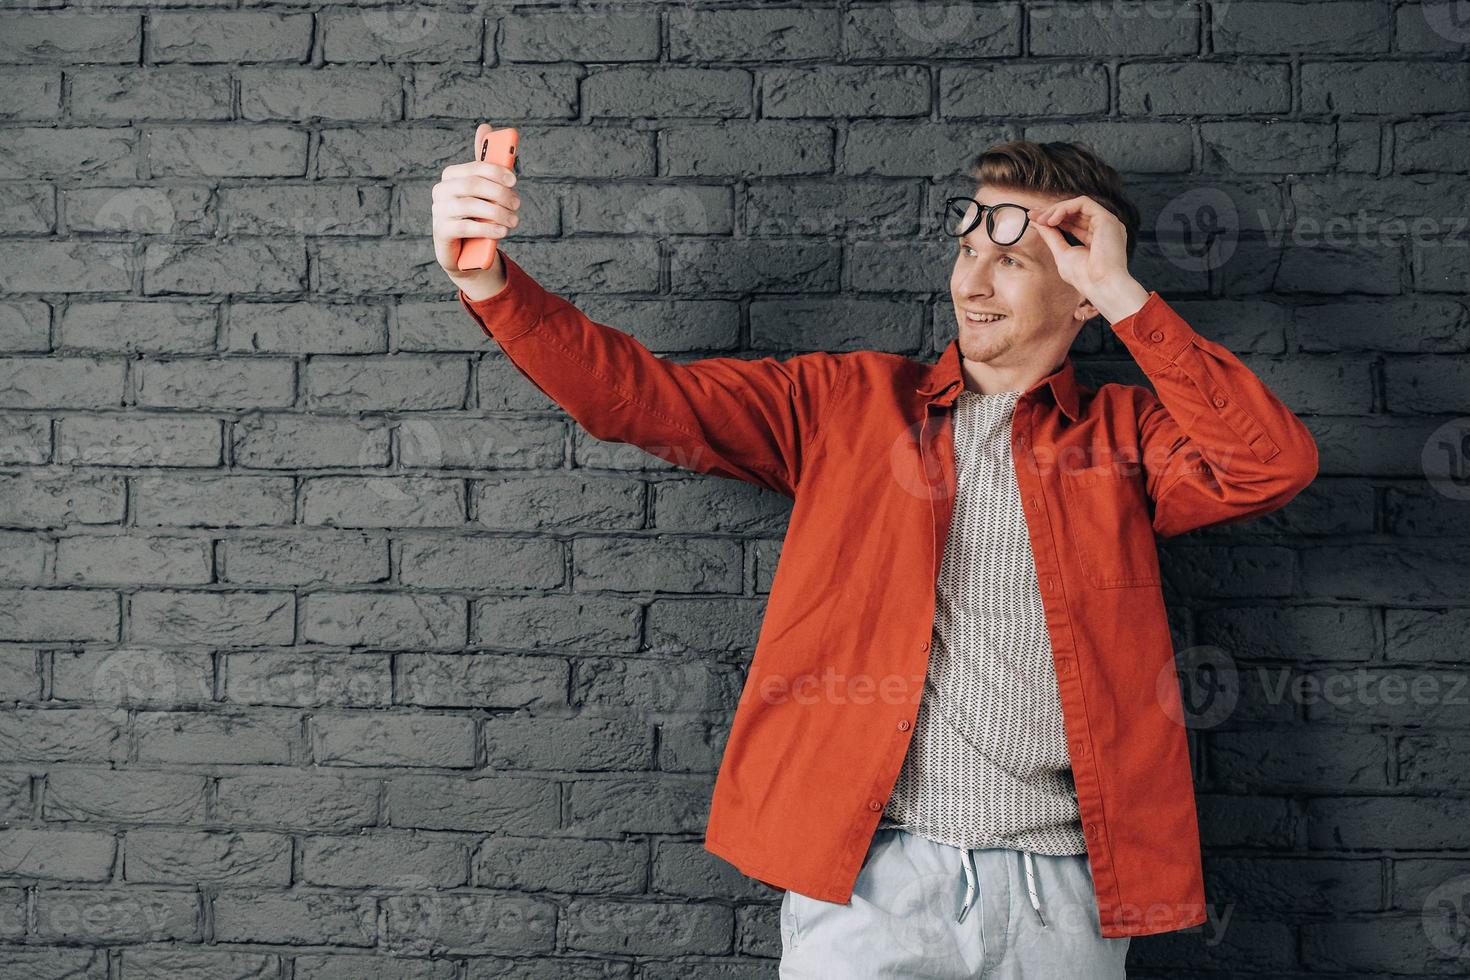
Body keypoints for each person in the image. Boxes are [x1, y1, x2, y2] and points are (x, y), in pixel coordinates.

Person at [430, 140, 1317, 978]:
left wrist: (1124, 293)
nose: (974, 278)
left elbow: (1269, 464)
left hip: (1065, 894)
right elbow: (638, 398)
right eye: (968, 246)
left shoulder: (1126, 436)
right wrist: (491, 281)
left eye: (1011, 258)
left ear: (1081, 292)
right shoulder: (845, 405)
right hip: (872, 881)